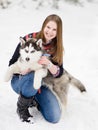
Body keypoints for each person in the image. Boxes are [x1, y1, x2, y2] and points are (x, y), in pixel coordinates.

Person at [8, 14, 64, 123]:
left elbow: (59, 73)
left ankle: (34, 99)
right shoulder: (29, 39)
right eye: (48, 27)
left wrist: (50, 65)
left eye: (54, 29)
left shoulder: (56, 47)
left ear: (58, 32)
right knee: (34, 73)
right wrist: (24, 69)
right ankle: (22, 107)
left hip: (40, 85)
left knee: (54, 117)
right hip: (20, 81)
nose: (50, 31)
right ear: (43, 26)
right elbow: (12, 62)